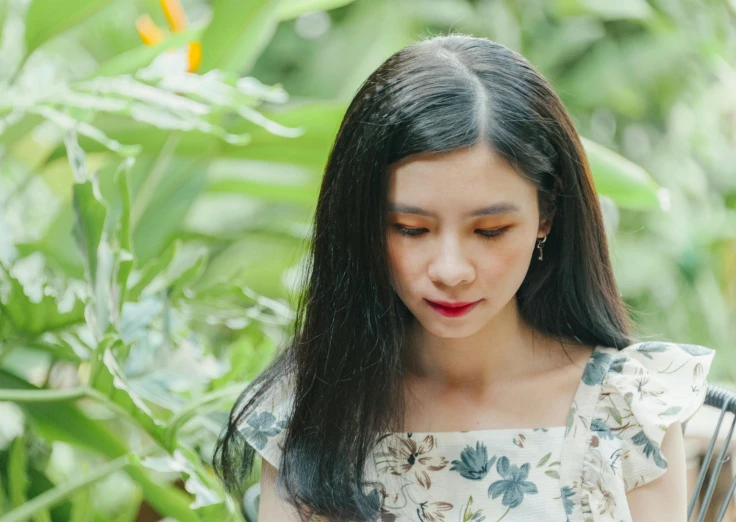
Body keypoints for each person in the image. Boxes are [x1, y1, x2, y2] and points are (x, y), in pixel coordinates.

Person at [211, 33, 716, 522]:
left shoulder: (626, 409)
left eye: (491, 230)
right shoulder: (310, 411)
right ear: (361, 225)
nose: (450, 270)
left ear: (546, 214)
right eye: (410, 228)